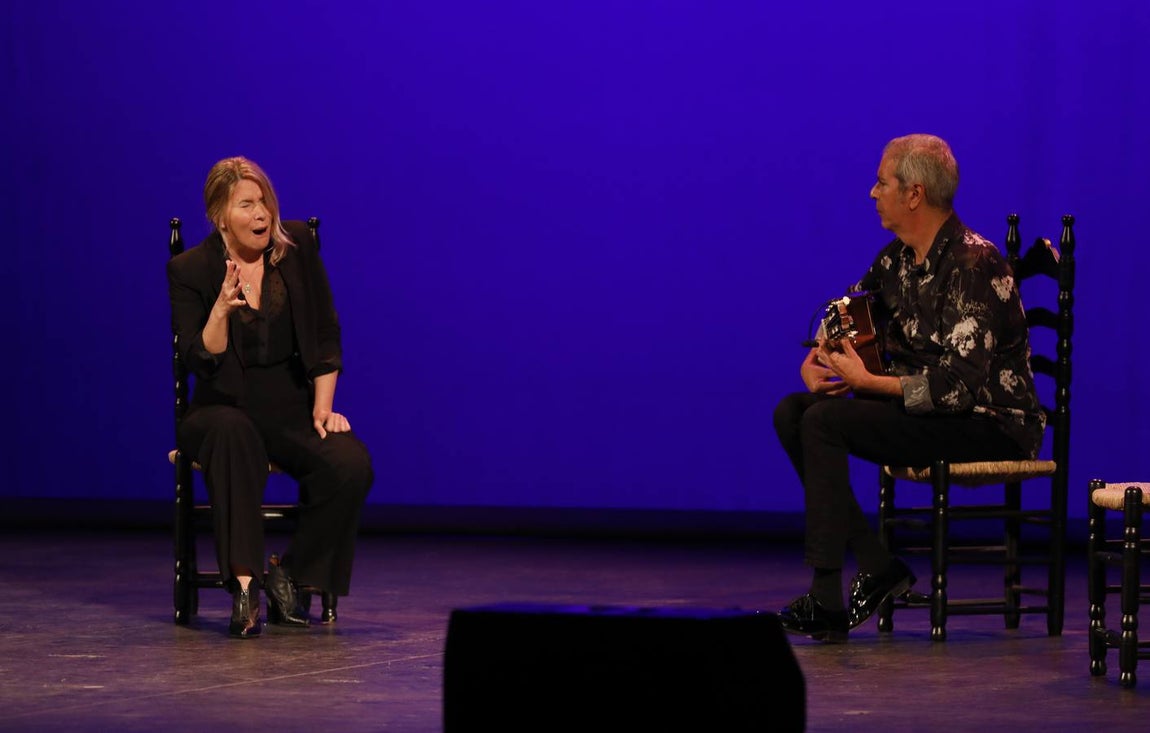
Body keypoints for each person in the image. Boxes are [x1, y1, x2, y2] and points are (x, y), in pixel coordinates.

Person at [772, 134, 1044, 643]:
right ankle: (876, 564)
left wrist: (871, 383)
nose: (873, 193)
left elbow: (959, 390)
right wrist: (819, 361)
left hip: (989, 422)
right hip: (929, 415)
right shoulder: (894, 260)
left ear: (914, 193)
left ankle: (829, 596)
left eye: (882, 182)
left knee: (824, 422)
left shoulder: (975, 265)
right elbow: (849, 319)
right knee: (794, 410)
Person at [168, 156, 374, 639]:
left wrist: (323, 407)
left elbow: (324, 335)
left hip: (289, 408)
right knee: (233, 434)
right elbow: (201, 358)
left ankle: (294, 576)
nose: (261, 213)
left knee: (349, 464)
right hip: (220, 408)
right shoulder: (190, 269)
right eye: (246, 204)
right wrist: (219, 310)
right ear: (220, 216)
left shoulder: (295, 248)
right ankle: (245, 586)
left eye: (264, 201)